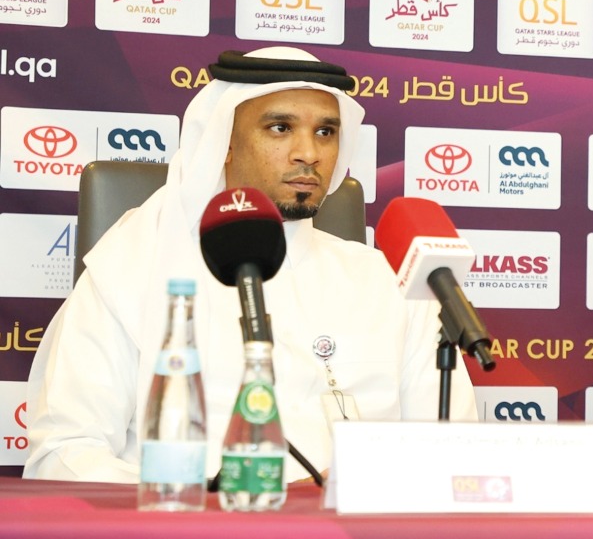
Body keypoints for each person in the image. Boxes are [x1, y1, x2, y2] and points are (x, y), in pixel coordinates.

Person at [23, 47, 477, 483]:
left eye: (325, 132)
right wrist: (222, 500)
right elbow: (63, 455)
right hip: (195, 529)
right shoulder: (133, 265)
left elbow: (455, 449)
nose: (309, 153)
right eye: (280, 128)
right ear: (223, 142)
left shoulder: (384, 281)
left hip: (361, 533)